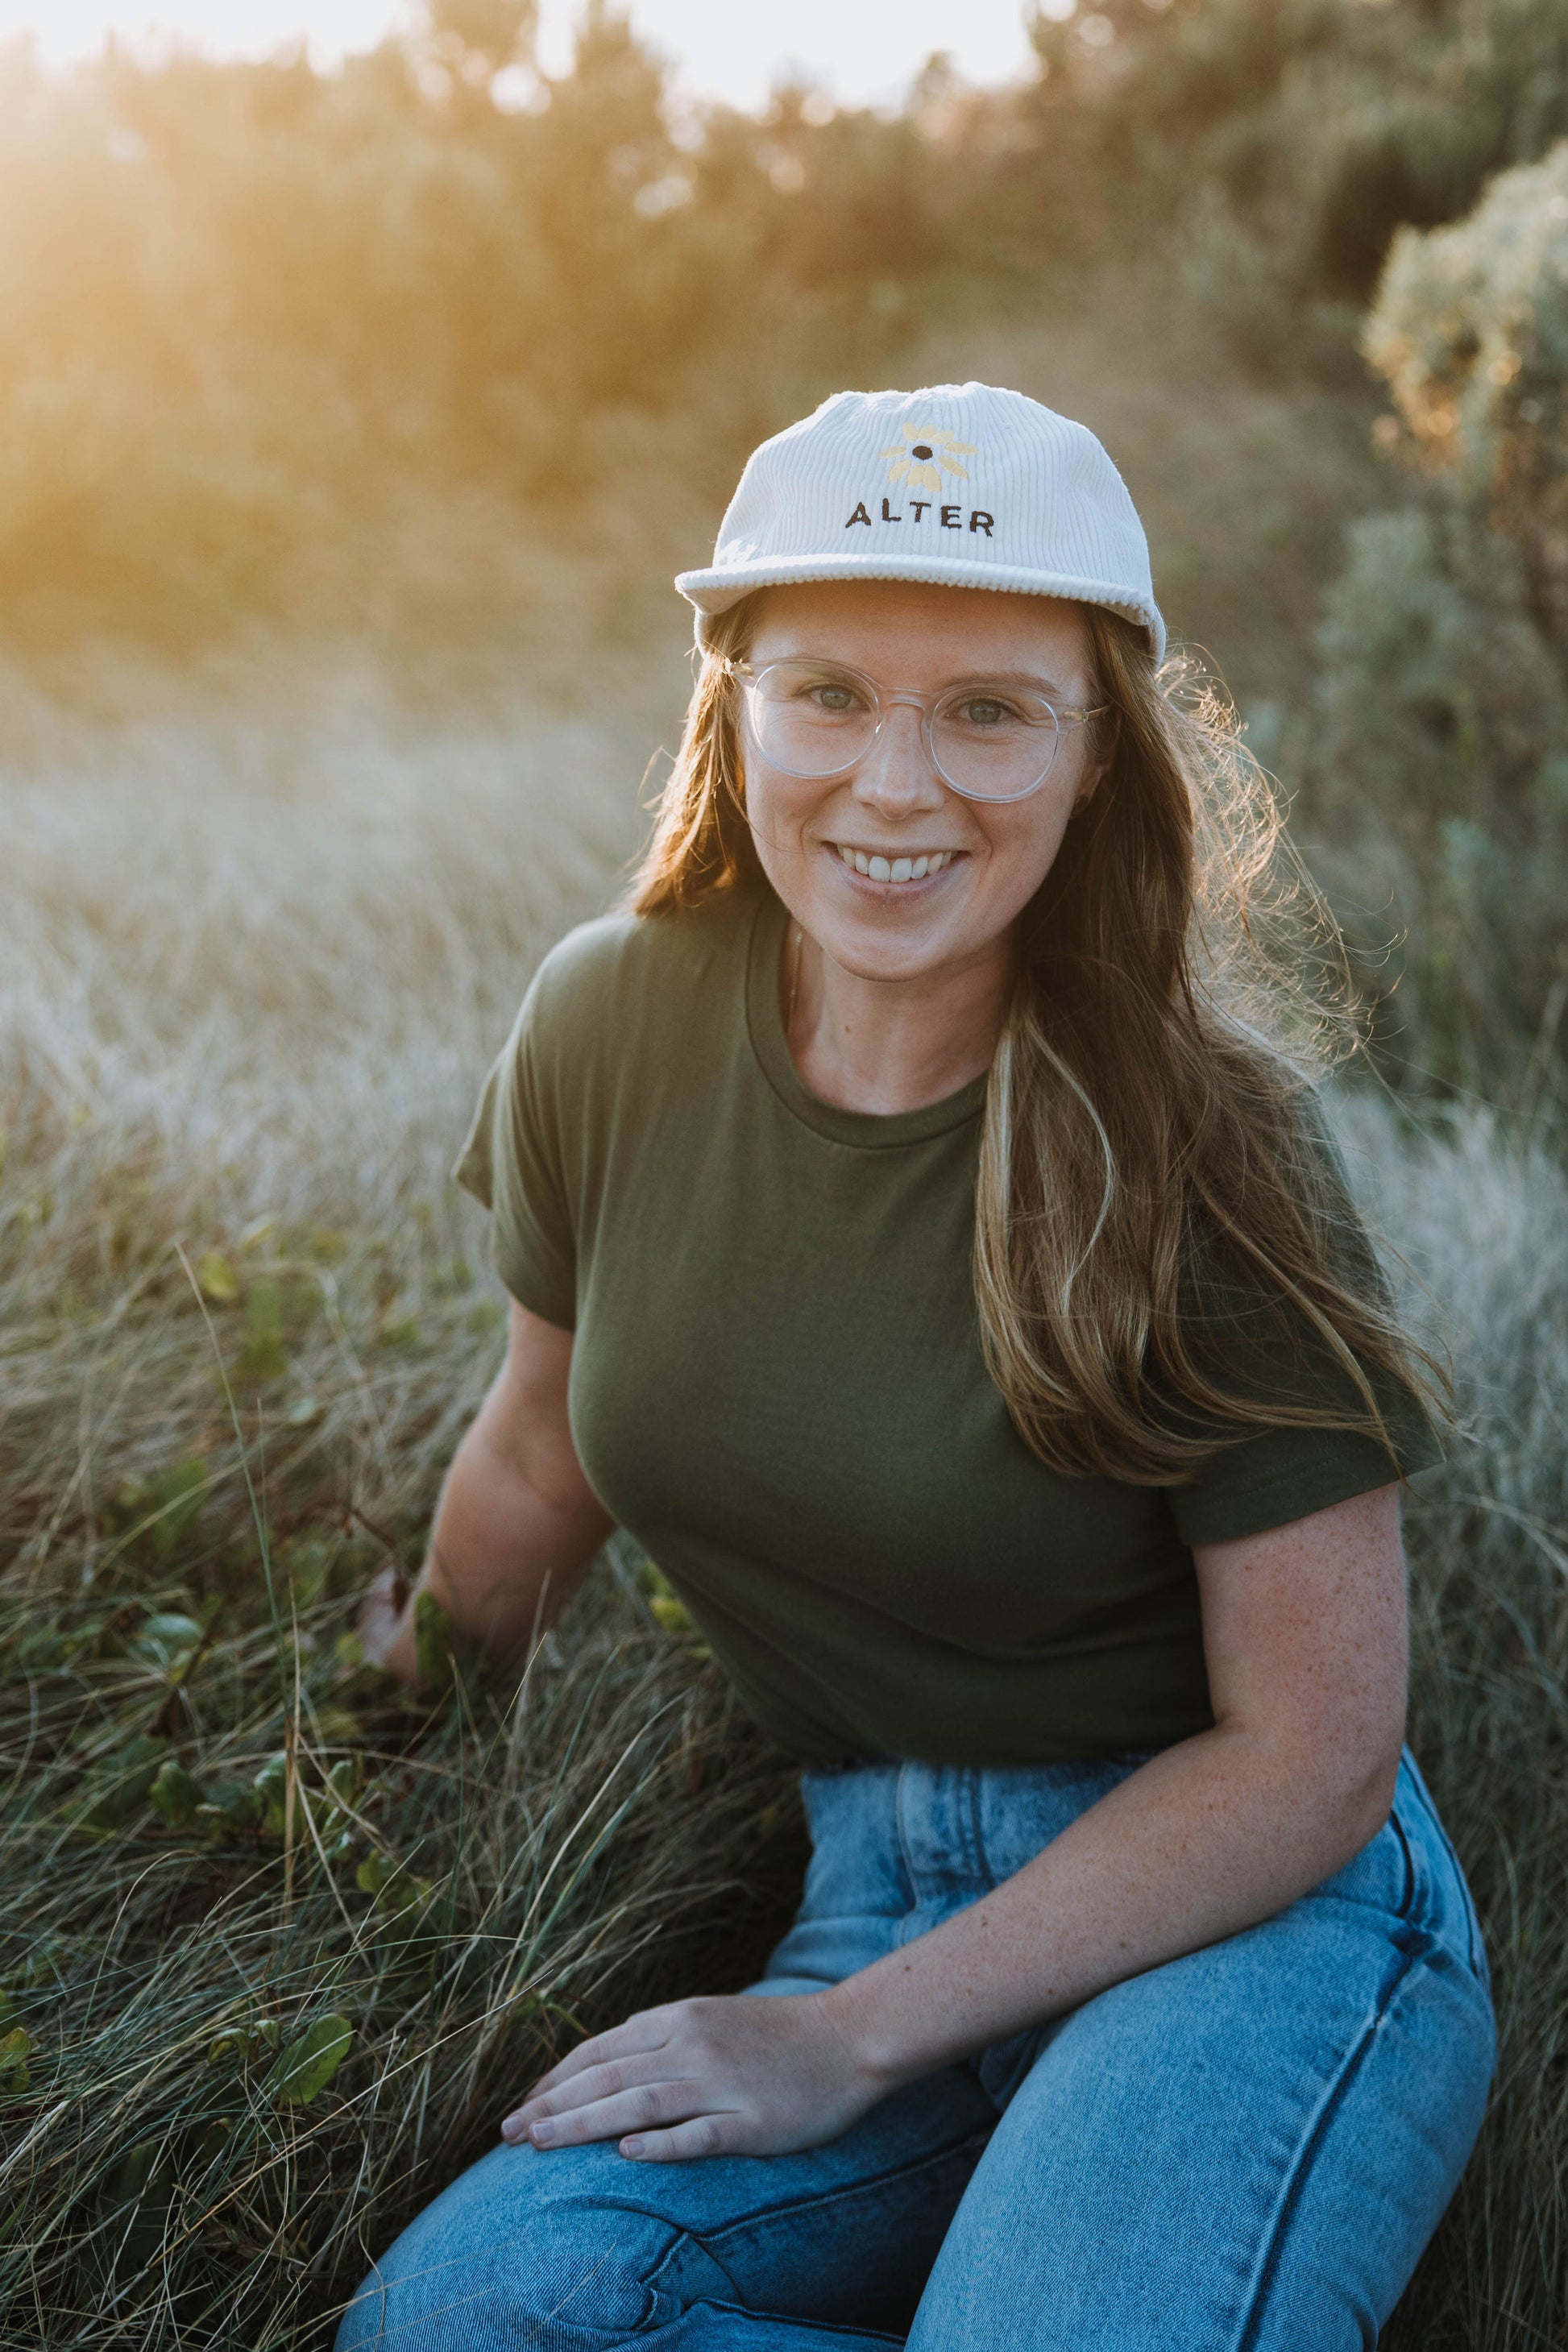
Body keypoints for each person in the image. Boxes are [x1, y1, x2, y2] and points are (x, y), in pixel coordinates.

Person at [338, 384, 1494, 2351]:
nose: (894, 784)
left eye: (985, 709)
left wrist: (842, 2038)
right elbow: (538, 1450)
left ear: (1096, 752)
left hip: (1244, 1918)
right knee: (462, 2322)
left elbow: (1310, 1749)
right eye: (828, 693)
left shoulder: (1209, 1142)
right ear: (733, 706)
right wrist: (395, 1710)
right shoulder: (609, 1022)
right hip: (877, 1879)